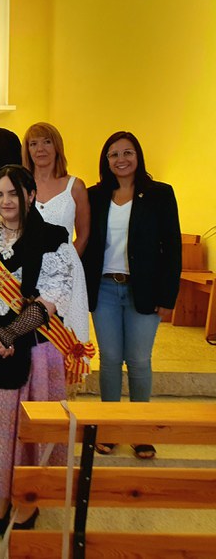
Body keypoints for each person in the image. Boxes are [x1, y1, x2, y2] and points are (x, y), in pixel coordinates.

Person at [0, 165, 89, 534]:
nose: (6, 201)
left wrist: (9, 334)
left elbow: (52, 298)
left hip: (34, 349)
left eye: (14, 193)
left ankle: (28, 496)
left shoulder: (54, 240)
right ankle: (0, 494)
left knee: (25, 430)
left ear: (30, 195)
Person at [82, 132, 181, 460]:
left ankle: (140, 431)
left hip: (144, 289)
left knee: (138, 360)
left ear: (138, 156)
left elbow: (172, 247)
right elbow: (85, 241)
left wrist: (168, 297)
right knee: (110, 359)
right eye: (114, 154)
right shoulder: (95, 195)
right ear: (106, 160)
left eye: (127, 153)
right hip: (105, 288)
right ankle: (109, 428)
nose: (121, 159)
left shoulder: (160, 194)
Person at [22, 122, 90, 256]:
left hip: (65, 268)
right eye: (33, 144)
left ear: (57, 146)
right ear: (27, 150)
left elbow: (83, 237)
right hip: (24, 266)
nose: (40, 149)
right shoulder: (19, 186)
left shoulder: (76, 186)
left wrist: (68, 263)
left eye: (47, 142)